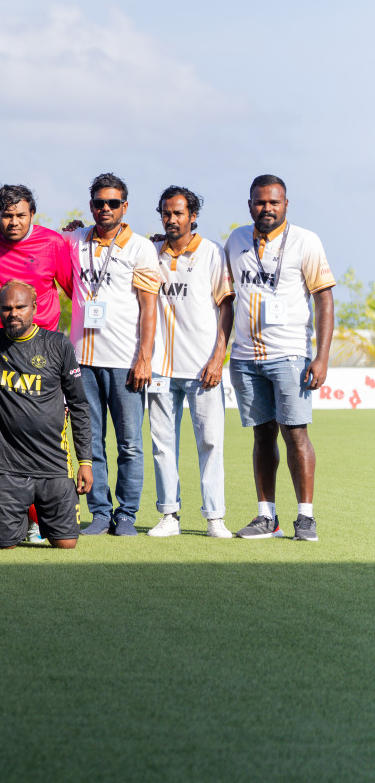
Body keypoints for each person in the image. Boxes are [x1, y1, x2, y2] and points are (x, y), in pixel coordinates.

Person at [0, 281, 93, 549]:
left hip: (53, 465)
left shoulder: (58, 345)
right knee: (3, 545)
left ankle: (34, 521)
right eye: (6, 308)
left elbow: (79, 405)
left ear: (34, 307)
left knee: (67, 544)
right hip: (6, 468)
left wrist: (86, 462)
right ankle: (16, 522)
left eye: (20, 307)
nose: (13, 313)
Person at [225, 175, 335, 542]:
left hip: (289, 354)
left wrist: (321, 357)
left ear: (286, 204)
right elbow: (226, 298)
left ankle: (305, 517)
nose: (266, 208)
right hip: (244, 356)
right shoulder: (237, 240)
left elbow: (324, 300)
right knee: (261, 435)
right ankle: (266, 517)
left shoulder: (306, 240)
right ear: (250, 204)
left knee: (296, 434)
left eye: (274, 202)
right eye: (259, 202)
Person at [63, 174, 161, 537]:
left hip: (125, 362)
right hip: (81, 361)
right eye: (99, 203)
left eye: (113, 203)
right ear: (90, 206)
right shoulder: (74, 240)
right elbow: (35, 239)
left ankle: (127, 515)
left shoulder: (140, 248)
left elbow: (150, 308)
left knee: (131, 443)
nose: (105, 209)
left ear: (125, 206)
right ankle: (101, 513)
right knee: (91, 442)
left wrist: (145, 357)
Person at [149, 187, 234, 539]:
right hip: (160, 368)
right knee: (162, 443)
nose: (171, 219)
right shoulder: (151, 250)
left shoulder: (212, 252)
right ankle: (169, 515)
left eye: (178, 213)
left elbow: (226, 306)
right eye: (166, 213)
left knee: (211, 442)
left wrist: (219, 357)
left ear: (192, 216)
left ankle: (215, 516)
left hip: (203, 369)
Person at [0, 183, 78, 334]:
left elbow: (77, 293)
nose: (14, 222)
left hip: (42, 337)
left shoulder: (53, 243)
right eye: (7, 216)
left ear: (32, 214)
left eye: (21, 216)